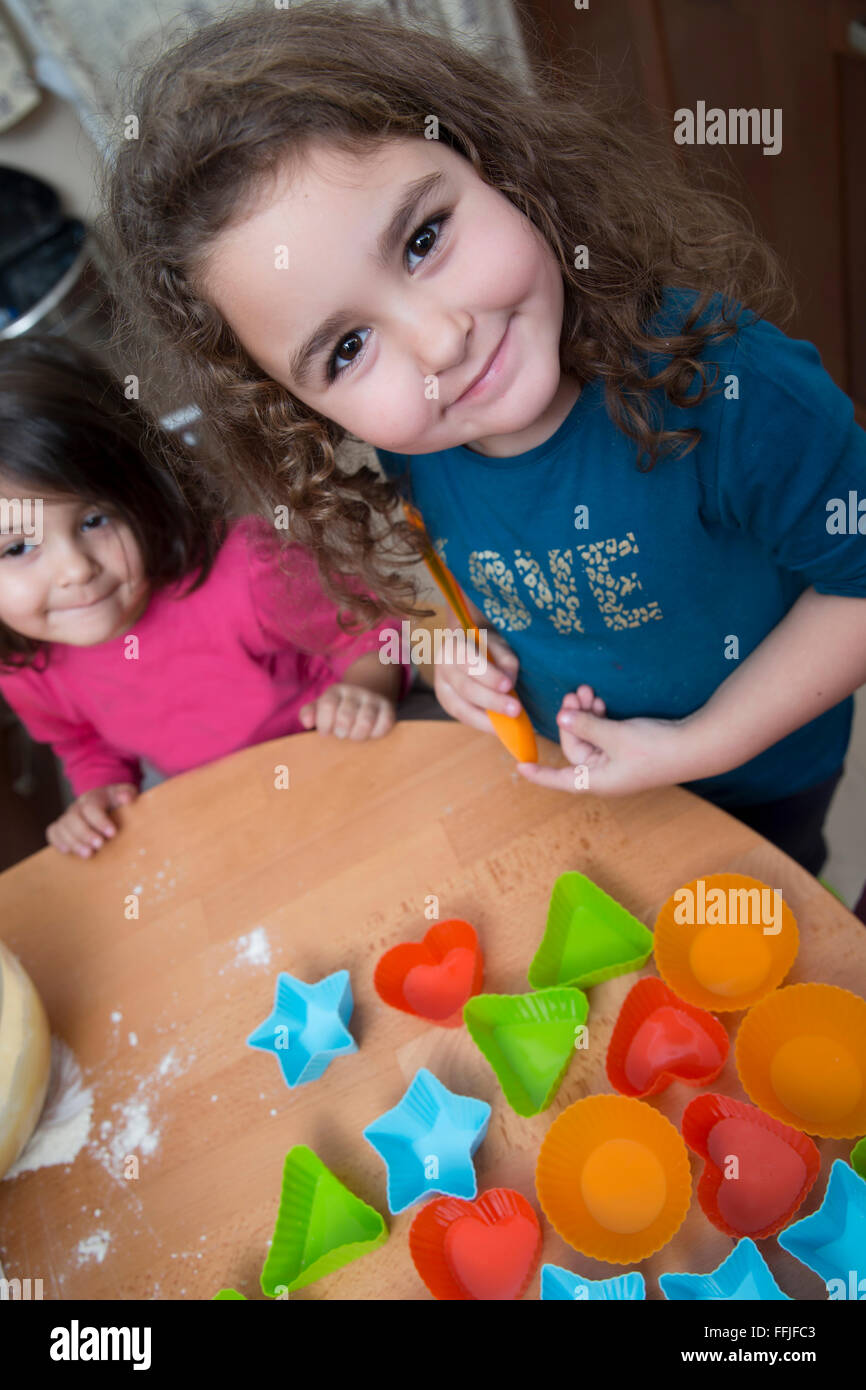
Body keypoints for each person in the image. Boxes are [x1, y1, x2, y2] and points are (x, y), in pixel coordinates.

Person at [99, 1, 866, 879]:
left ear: (494, 163)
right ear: (298, 411)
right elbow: (459, 578)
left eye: (423, 239)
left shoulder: (728, 388)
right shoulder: (413, 440)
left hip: (755, 776)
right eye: (348, 349)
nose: (440, 342)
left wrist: (702, 743)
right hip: (572, 780)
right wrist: (444, 651)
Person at [0, 335, 412, 859]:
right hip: (232, 828)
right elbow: (82, 743)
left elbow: (372, 628)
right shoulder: (25, 667)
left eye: (94, 520)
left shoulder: (250, 571)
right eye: (16, 549)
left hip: (349, 771)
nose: (75, 570)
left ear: (142, 492)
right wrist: (98, 793)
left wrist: (366, 689)